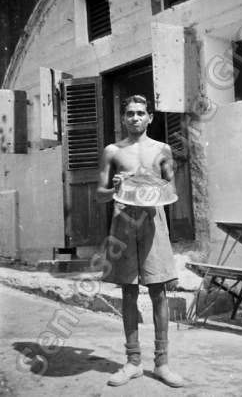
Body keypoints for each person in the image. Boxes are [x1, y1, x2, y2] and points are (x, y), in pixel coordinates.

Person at [96, 95, 184, 388]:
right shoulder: (112, 151)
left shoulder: (162, 150)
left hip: (153, 221)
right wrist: (116, 188)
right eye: (130, 113)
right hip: (123, 220)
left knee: (159, 291)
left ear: (150, 118)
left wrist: (150, 185)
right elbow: (99, 193)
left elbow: (173, 191)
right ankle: (133, 362)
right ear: (123, 119)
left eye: (140, 113)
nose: (135, 118)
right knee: (129, 291)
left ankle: (162, 363)